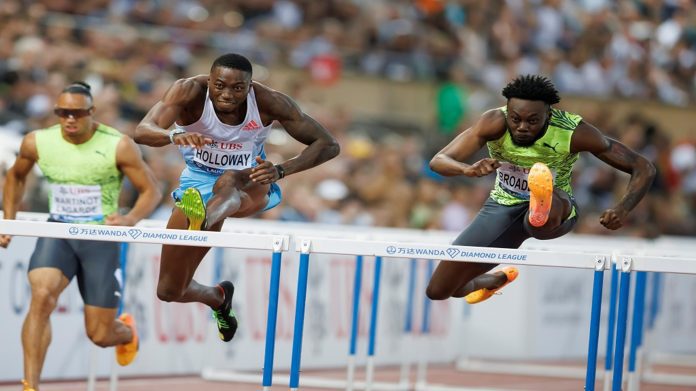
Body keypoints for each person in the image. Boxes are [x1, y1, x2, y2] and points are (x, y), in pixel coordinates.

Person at [133, 53, 339, 342]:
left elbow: (328, 144)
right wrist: (172, 137)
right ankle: (218, 297)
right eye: (219, 86)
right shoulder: (188, 91)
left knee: (229, 180)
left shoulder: (269, 101)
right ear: (209, 80)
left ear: (249, 86)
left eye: (237, 89)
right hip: (197, 186)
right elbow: (142, 130)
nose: (227, 94)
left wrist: (281, 170)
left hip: (249, 182)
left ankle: (203, 218)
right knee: (169, 291)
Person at [425, 75, 656, 304]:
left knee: (538, 221)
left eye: (533, 120)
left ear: (549, 114)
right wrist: (467, 169)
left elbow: (643, 167)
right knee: (441, 290)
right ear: (507, 110)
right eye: (515, 119)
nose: (522, 127)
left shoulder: (573, 131)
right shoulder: (494, 121)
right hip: (502, 208)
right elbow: (439, 160)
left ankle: (540, 202)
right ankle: (493, 280)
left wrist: (623, 209)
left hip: (559, 209)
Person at [0, 82, 162, 391]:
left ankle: (126, 331)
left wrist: (129, 218)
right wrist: (10, 221)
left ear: (91, 113)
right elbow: (15, 176)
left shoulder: (118, 144)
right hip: (58, 230)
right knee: (42, 297)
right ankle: (30, 385)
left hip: (99, 237)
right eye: (62, 113)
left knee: (100, 335)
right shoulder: (38, 141)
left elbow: (151, 190)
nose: (69, 120)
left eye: (76, 113)